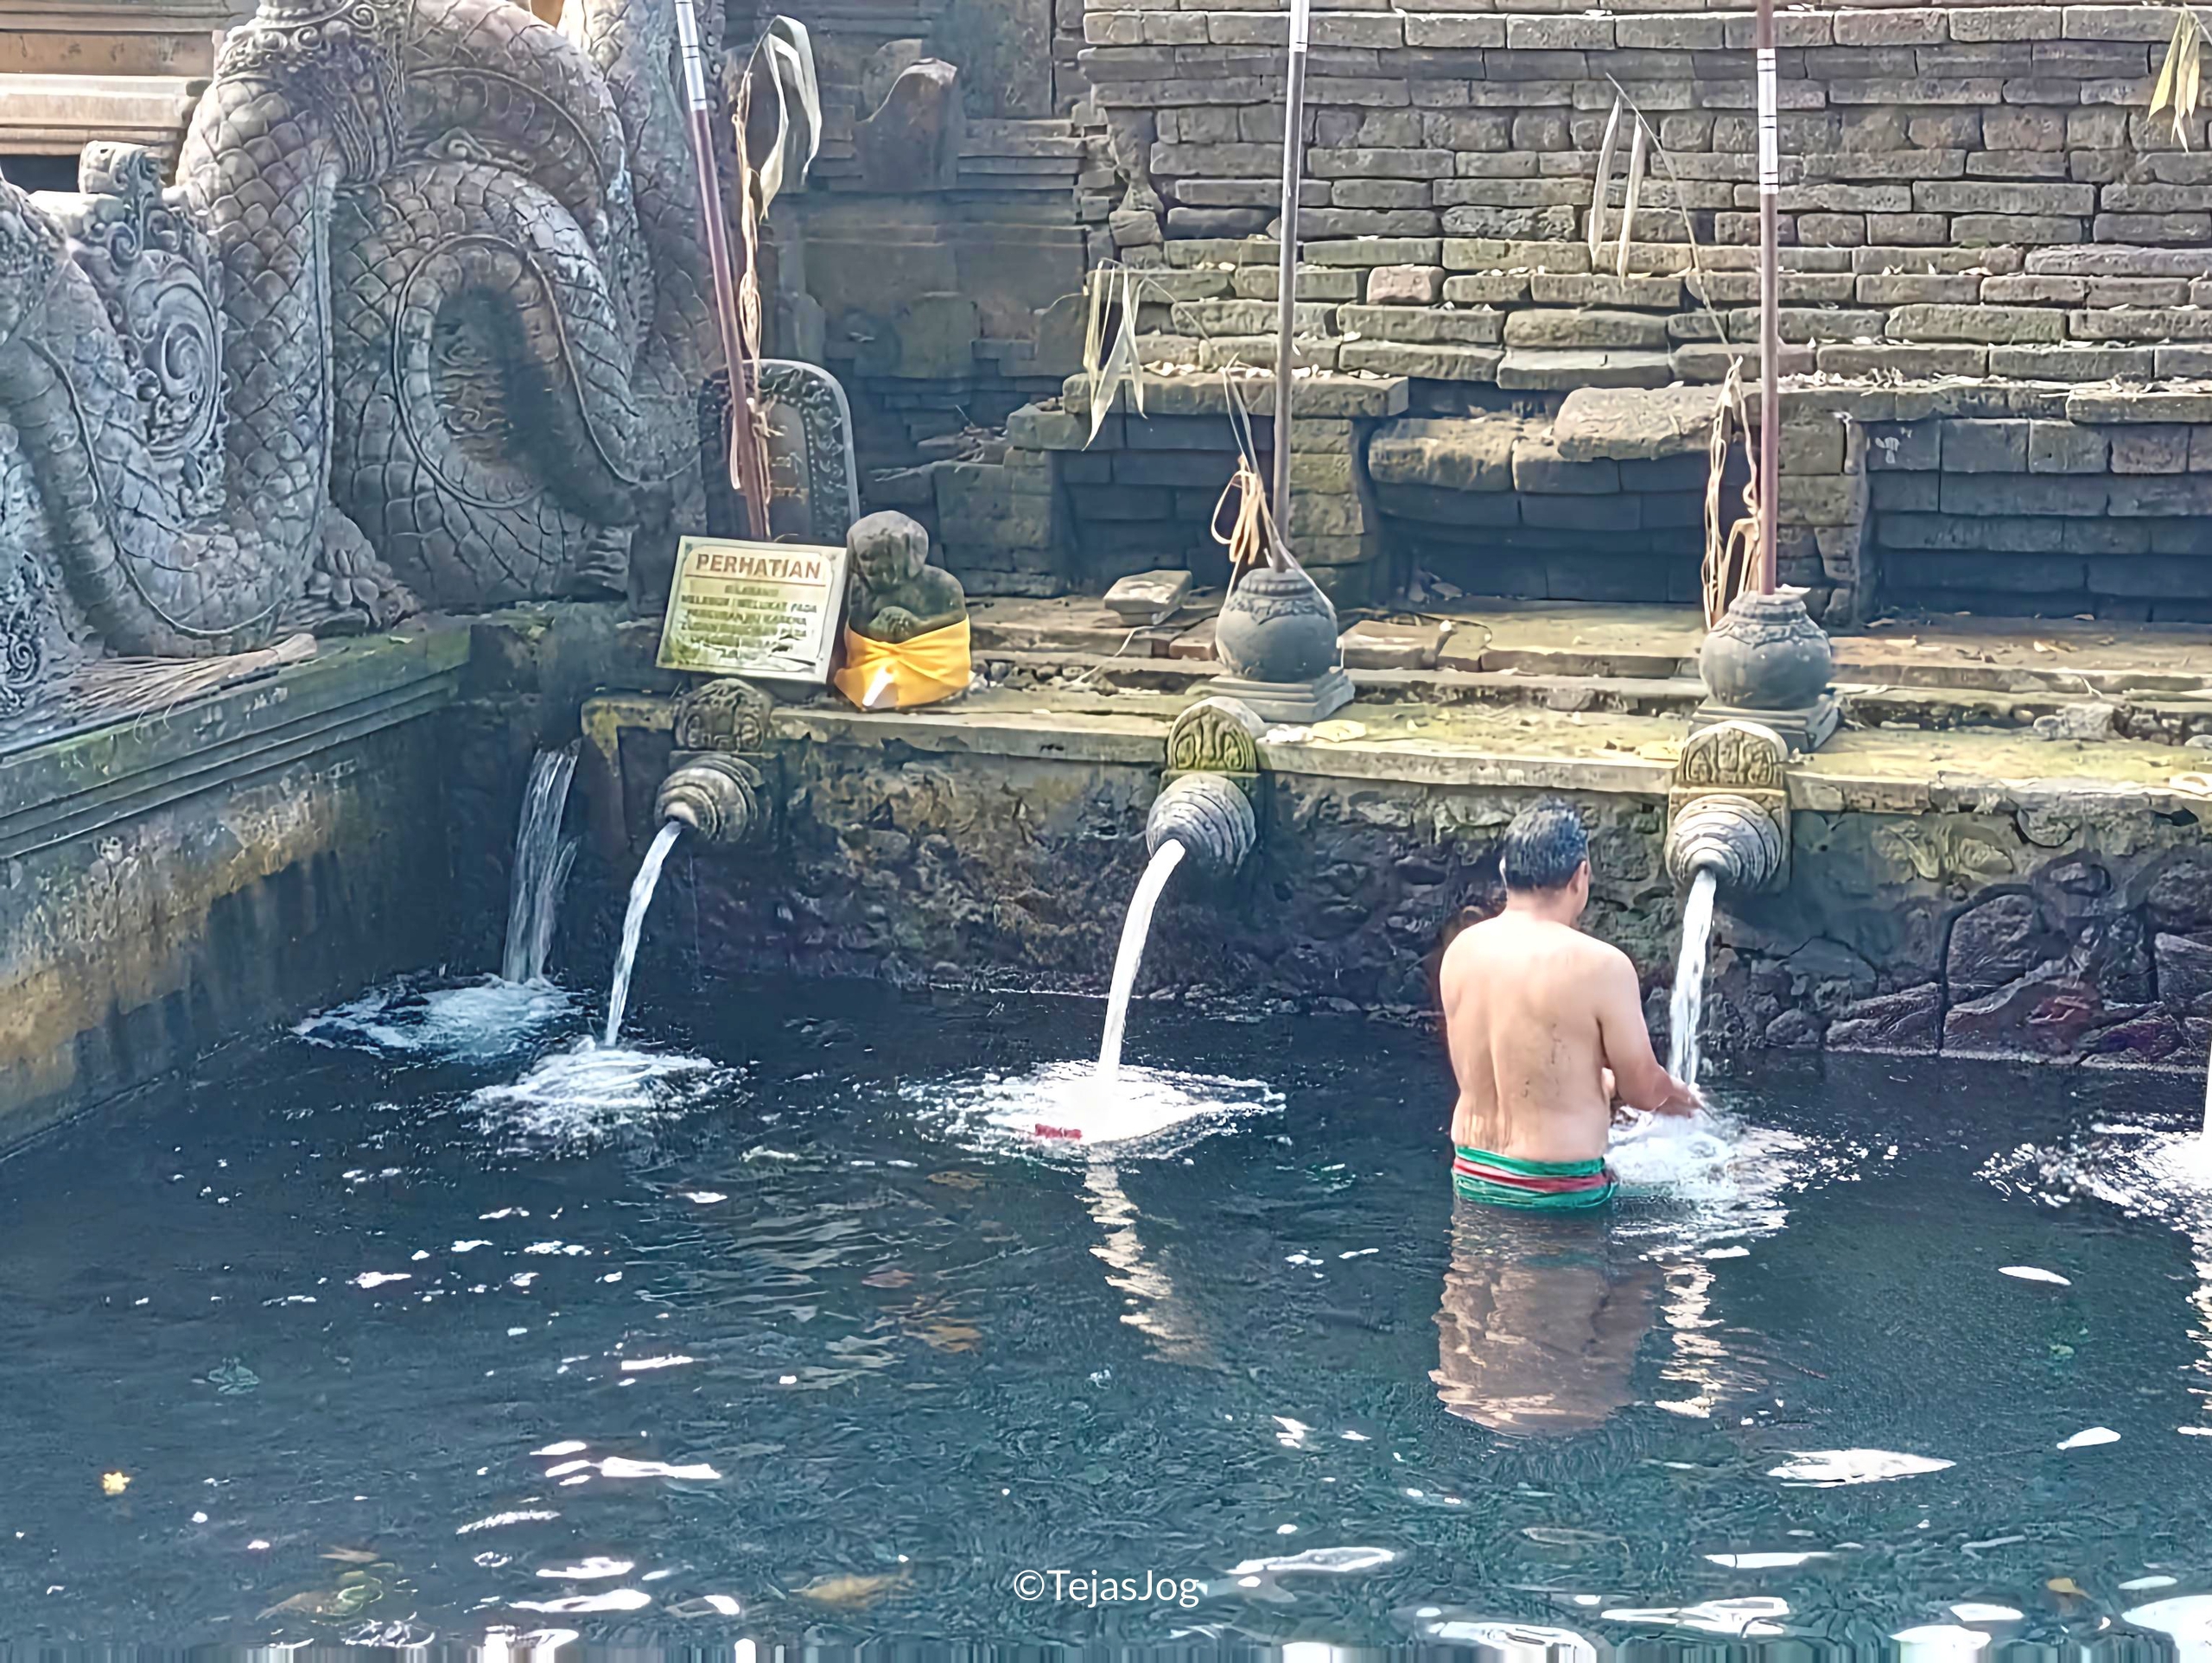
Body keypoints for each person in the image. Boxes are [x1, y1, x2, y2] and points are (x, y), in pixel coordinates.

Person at [1438, 798, 1700, 1209]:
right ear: (1581, 876)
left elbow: (1519, 1068)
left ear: (1507, 872)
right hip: (1557, 1189)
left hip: (1472, 1174)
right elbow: (1645, 1092)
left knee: (1477, 1273)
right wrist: (1680, 1098)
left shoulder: (1462, 950)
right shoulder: (1602, 966)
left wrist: (1604, 1085)